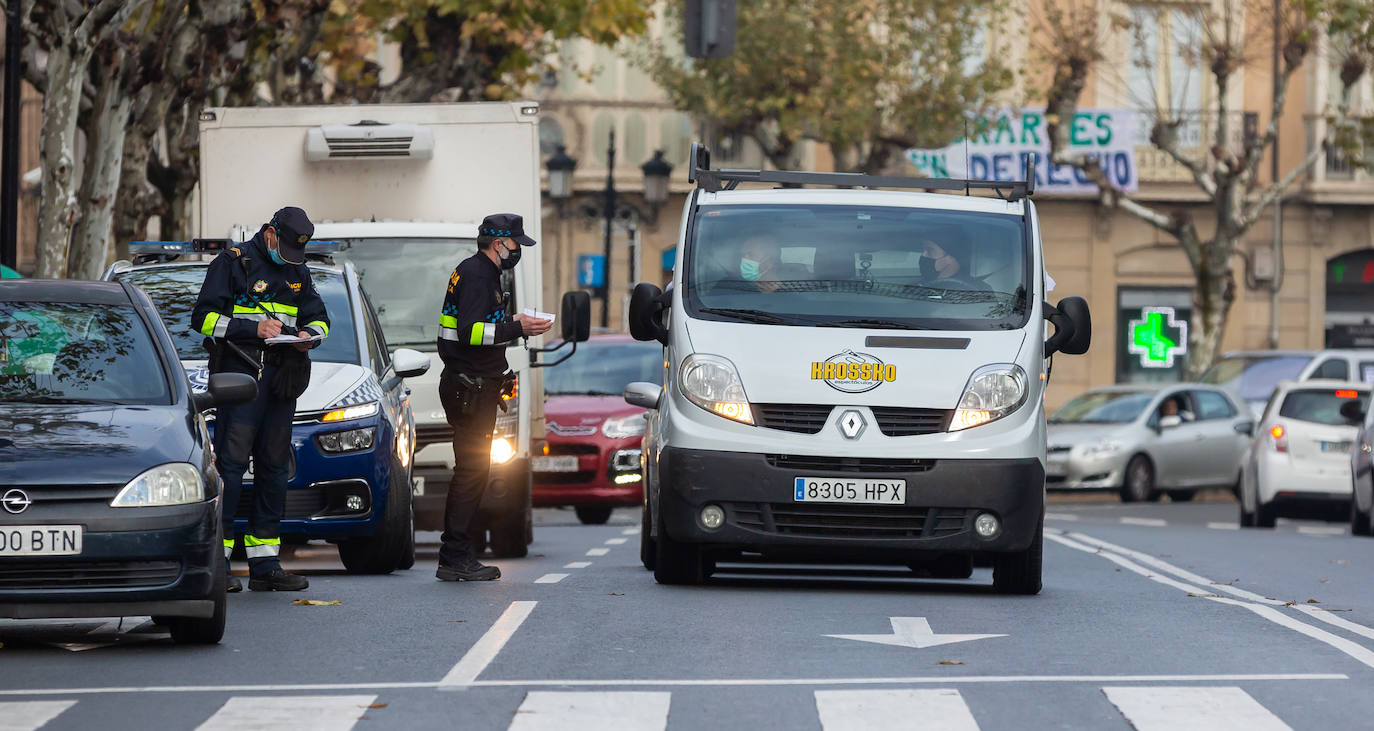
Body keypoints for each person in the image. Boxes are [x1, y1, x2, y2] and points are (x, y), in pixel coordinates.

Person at [191, 206, 329, 592]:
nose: (289, 256)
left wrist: (309, 337)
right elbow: (202, 318)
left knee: (273, 469)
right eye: (284, 247)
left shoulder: (298, 270)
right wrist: (252, 328)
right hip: (240, 379)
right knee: (230, 468)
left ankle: (265, 563)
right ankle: (217, 563)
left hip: (280, 381)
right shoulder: (232, 263)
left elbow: (320, 318)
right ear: (270, 233)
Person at [434, 213, 551, 582]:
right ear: (499, 244)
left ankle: (455, 555)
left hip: (471, 385)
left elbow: (476, 325)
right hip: (470, 389)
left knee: (472, 473)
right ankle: (454, 557)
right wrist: (517, 327)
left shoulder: (475, 272)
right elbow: (470, 332)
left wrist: (512, 319)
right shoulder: (479, 275)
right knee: (471, 474)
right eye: (516, 244)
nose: (518, 251)